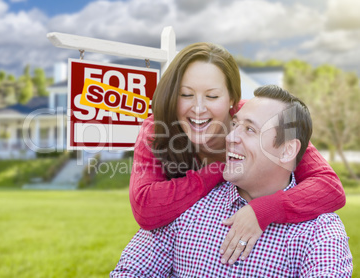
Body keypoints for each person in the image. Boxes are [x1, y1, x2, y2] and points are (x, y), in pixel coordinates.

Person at [128, 42, 346, 264]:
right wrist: (223, 168)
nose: (198, 108)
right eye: (186, 94)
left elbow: (329, 187)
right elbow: (146, 207)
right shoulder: (157, 130)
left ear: (232, 99)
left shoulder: (257, 119)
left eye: (212, 96)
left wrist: (264, 210)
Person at [111, 85, 353, 277]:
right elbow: (130, 271)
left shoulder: (320, 233)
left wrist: (264, 210)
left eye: (249, 130)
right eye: (235, 125)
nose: (230, 137)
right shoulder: (189, 204)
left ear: (288, 150)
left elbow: (330, 185)